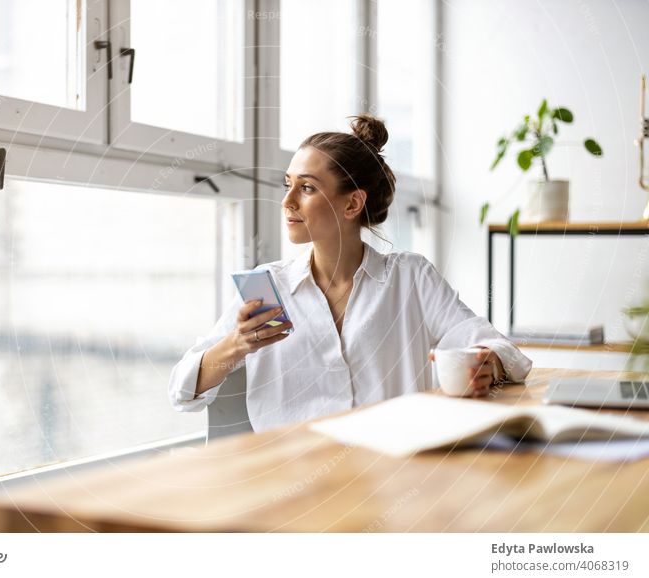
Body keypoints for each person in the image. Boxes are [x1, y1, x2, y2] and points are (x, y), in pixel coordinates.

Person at [168, 114, 532, 432]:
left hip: (393, 473)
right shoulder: (269, 286)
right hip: (293, 482)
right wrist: (237, 344)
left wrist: (489, 363)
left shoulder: (410, 277)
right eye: (287, 184)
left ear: (352, 203)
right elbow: (182, 391)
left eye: (307, 187)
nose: (287, 200)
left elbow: (501, 349)